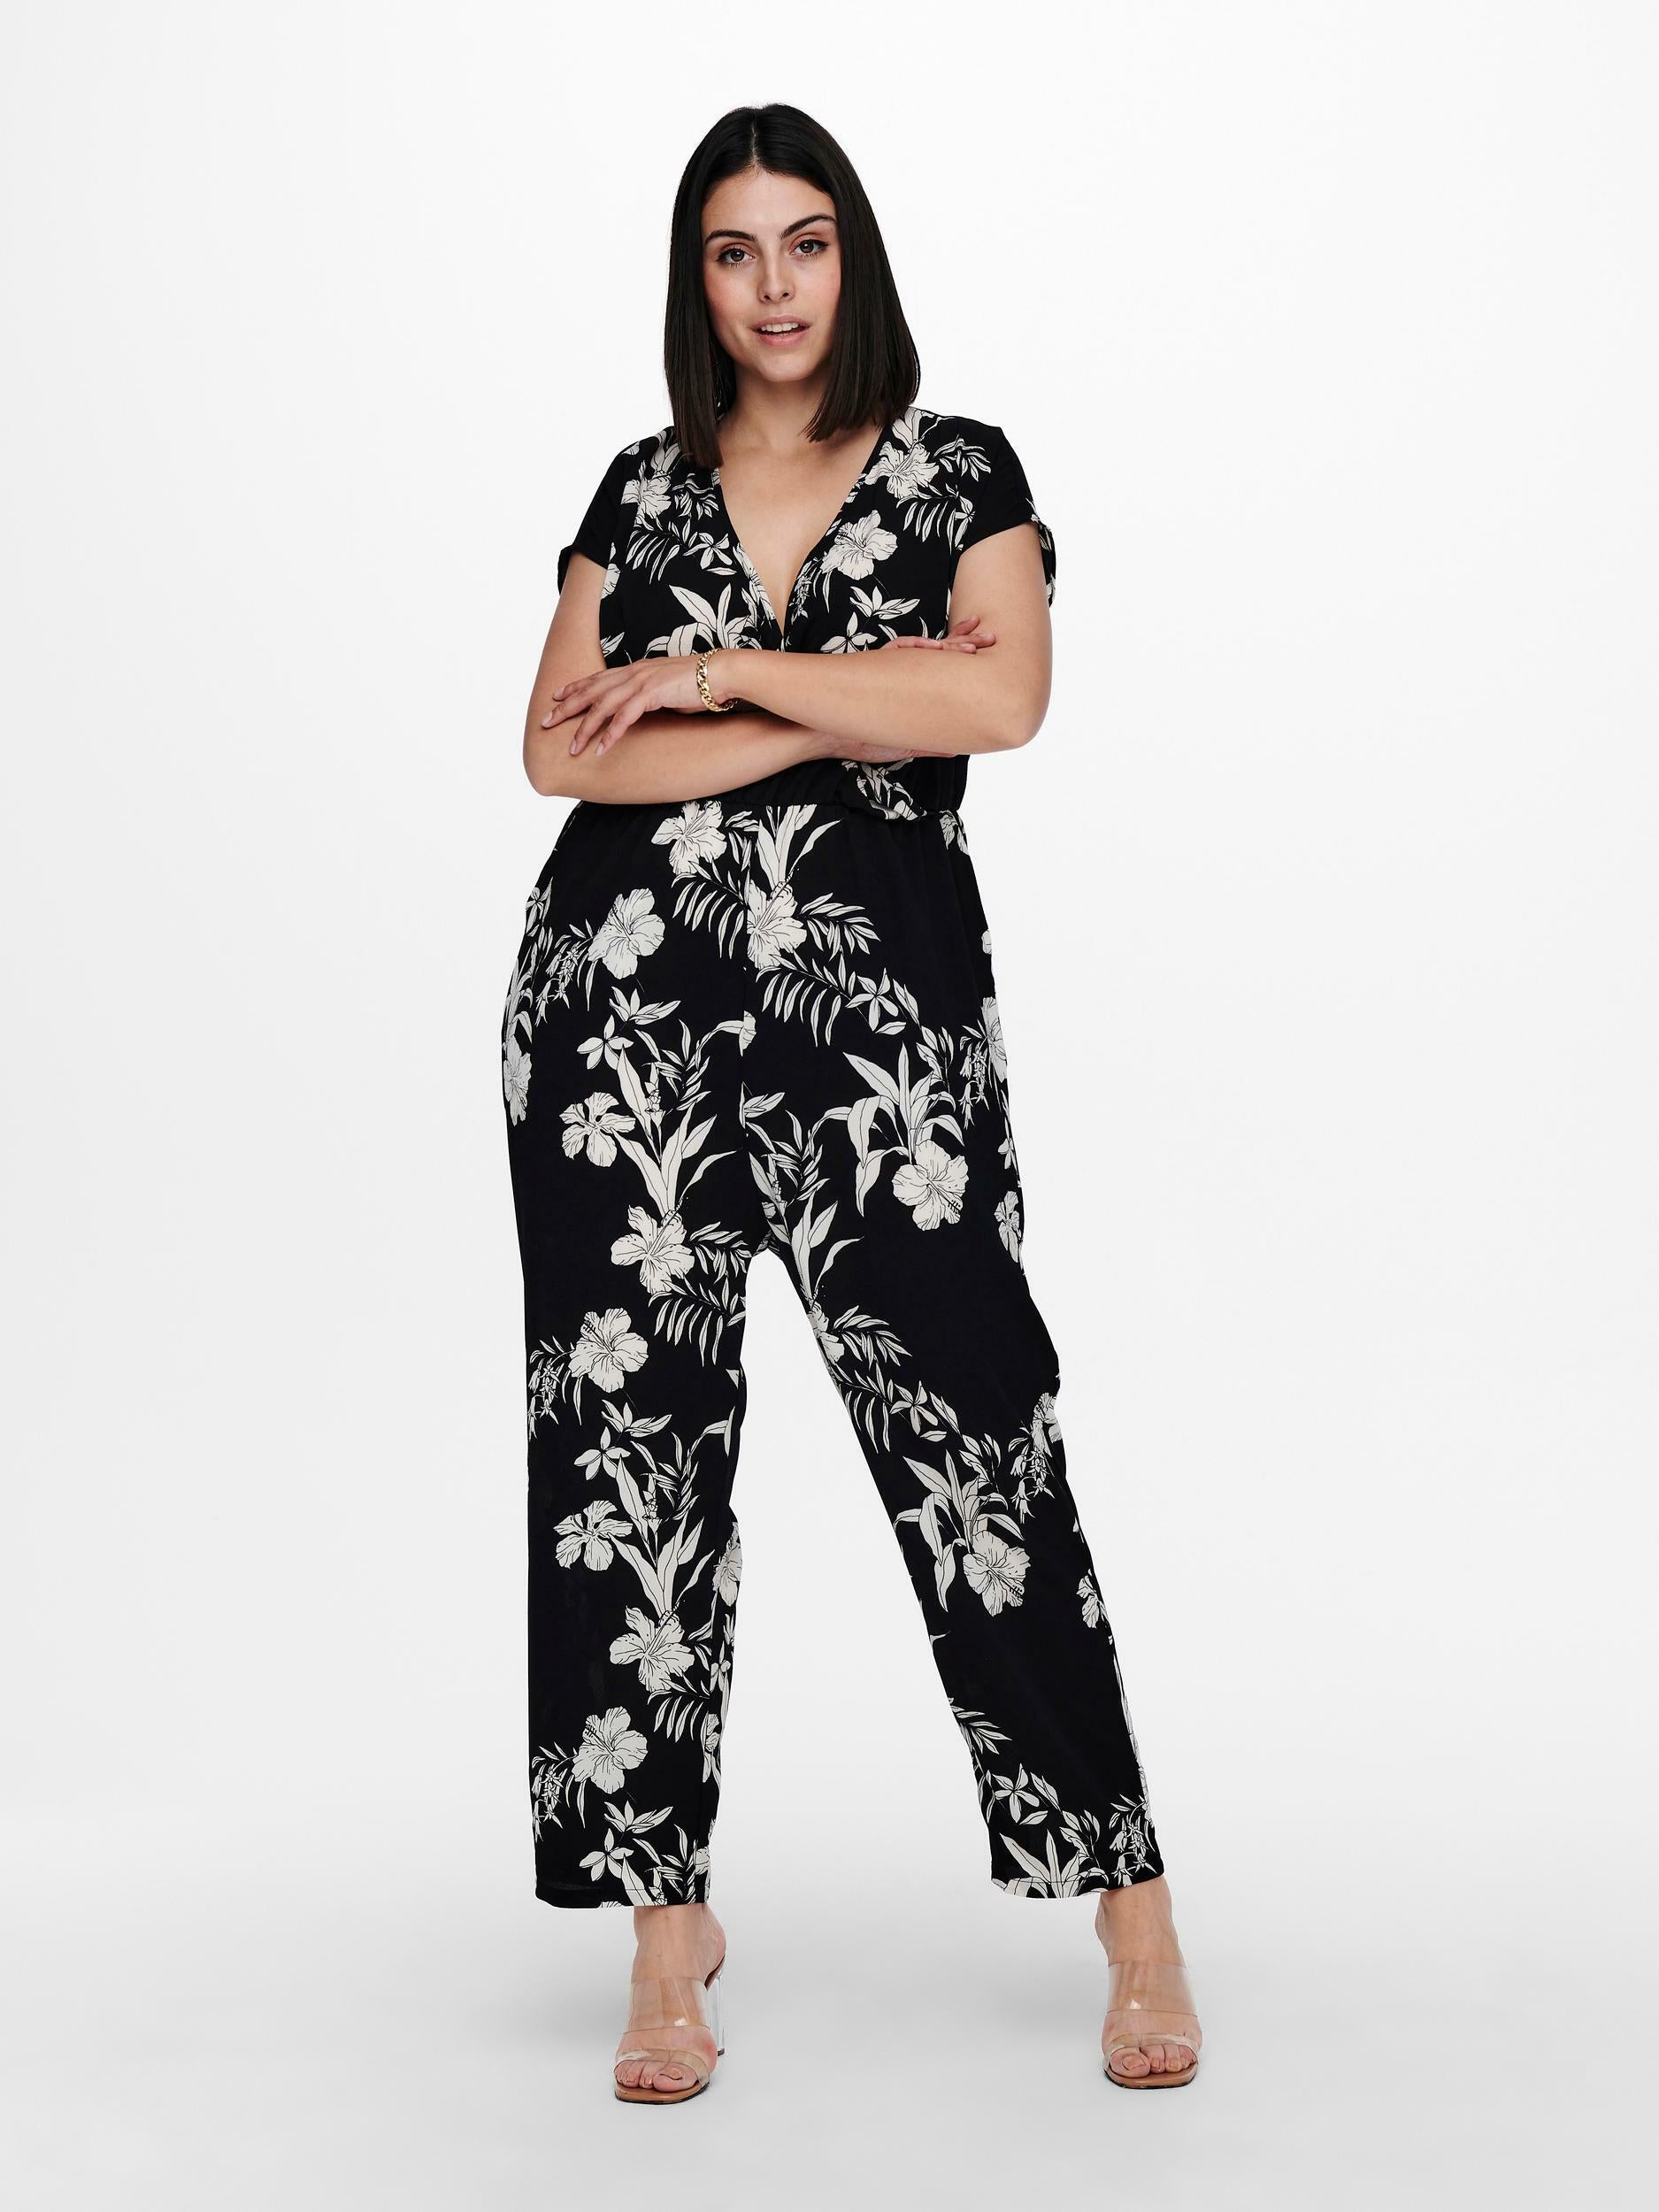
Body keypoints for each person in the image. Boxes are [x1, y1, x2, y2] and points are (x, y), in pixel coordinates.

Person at [502, 102, 1203, 2101]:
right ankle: (664, 1932)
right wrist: (836, 692)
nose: (774, 286)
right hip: (616, 1027)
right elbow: (558, 755)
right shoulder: (640, 489)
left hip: (883, 1040)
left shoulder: (959, 468)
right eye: (732, 251)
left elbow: (1000, 697)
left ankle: (1131, 1899)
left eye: (803, 242)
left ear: (853, 255)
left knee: (978, 1429)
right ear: (696, 280)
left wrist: (716, 675)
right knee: (628, 1462)